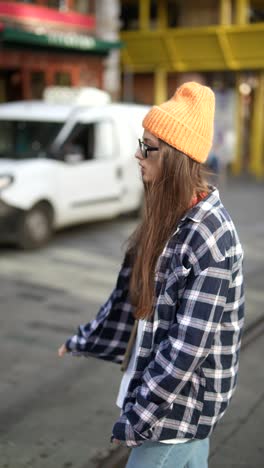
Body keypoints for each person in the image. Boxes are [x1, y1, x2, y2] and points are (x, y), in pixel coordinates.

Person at [58, 82, 245, 468]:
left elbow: (186, 349)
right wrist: (84, 340)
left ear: (176, 157)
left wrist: (136, 420)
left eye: (148, 147)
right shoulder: (167, 218)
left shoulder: (210, 235)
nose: (137, 155)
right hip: (173, 411)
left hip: (176, 415)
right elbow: (130, 300)